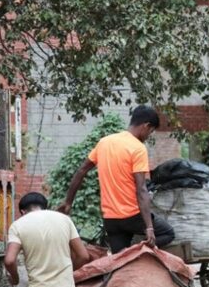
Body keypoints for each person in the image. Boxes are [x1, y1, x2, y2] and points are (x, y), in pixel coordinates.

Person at [57, 105, 175, 252]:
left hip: (110, 219)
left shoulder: (104, 142)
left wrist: (68, 202)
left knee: (119, 260)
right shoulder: (137, 148)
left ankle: (127, 255)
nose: (148, 136)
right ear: (146, 126)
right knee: (168, 233)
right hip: (132, 216)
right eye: (150, 132)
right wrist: (149, 227)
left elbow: (81, 171)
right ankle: (135, 252)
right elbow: (141, 189)